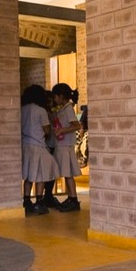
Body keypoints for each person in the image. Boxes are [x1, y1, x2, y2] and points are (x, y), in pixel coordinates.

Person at [21, 84, 60, 215]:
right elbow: (47, 130)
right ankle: (39, 201)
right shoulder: (40, 111)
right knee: (41, 174)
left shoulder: (22, 109)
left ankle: (26, 201)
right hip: (38, 145)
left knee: (28, 175)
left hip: (25, 144)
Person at [49, 83, 83, 211]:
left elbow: (76, 125)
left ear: (61, 96)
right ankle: (71, 197)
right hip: (62, 145)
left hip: (66, 145)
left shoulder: (68, 109)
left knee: (68, 174)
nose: (55, 100)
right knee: (66, 174)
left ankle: (73, 199)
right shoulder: (62, 108)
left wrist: (62, 130)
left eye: (56, 97)